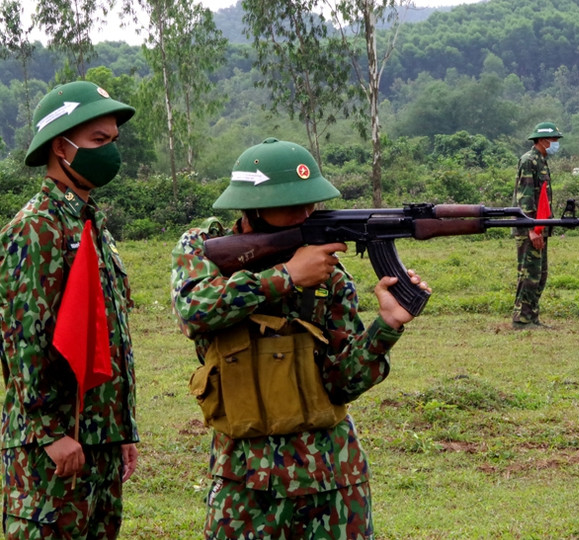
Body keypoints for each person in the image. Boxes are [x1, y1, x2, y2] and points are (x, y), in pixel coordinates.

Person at [170, 137, 430, 539]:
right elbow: (195, 310)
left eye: (310, 203)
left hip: (334, 480)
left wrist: (386, 326)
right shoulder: (202, 249)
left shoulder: (332, 275)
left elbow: (343, 382)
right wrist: (287, 277)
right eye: (291, 204)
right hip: (245, 482)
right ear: (253, 207)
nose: (305, 214)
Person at [0, 81, 139, 538]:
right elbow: (21, 340)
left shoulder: (91, 222)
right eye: (99, 142)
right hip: (52, 453)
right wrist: (49, 433)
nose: (111, 153)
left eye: (113, 142)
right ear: (62, 147)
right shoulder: (36, 229)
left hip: (98, 441)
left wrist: (122, 429)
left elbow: (111, 338)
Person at [511, 121, 563, 329]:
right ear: (543, 140)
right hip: (530, 228)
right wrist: (532, 229)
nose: (556, 144)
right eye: (554, 140)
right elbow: (525, 199)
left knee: (539, 274)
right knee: (529, 274)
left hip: (540, 226)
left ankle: (531, 317)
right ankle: (521, 320)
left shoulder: (541, 160)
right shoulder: (528, 161)